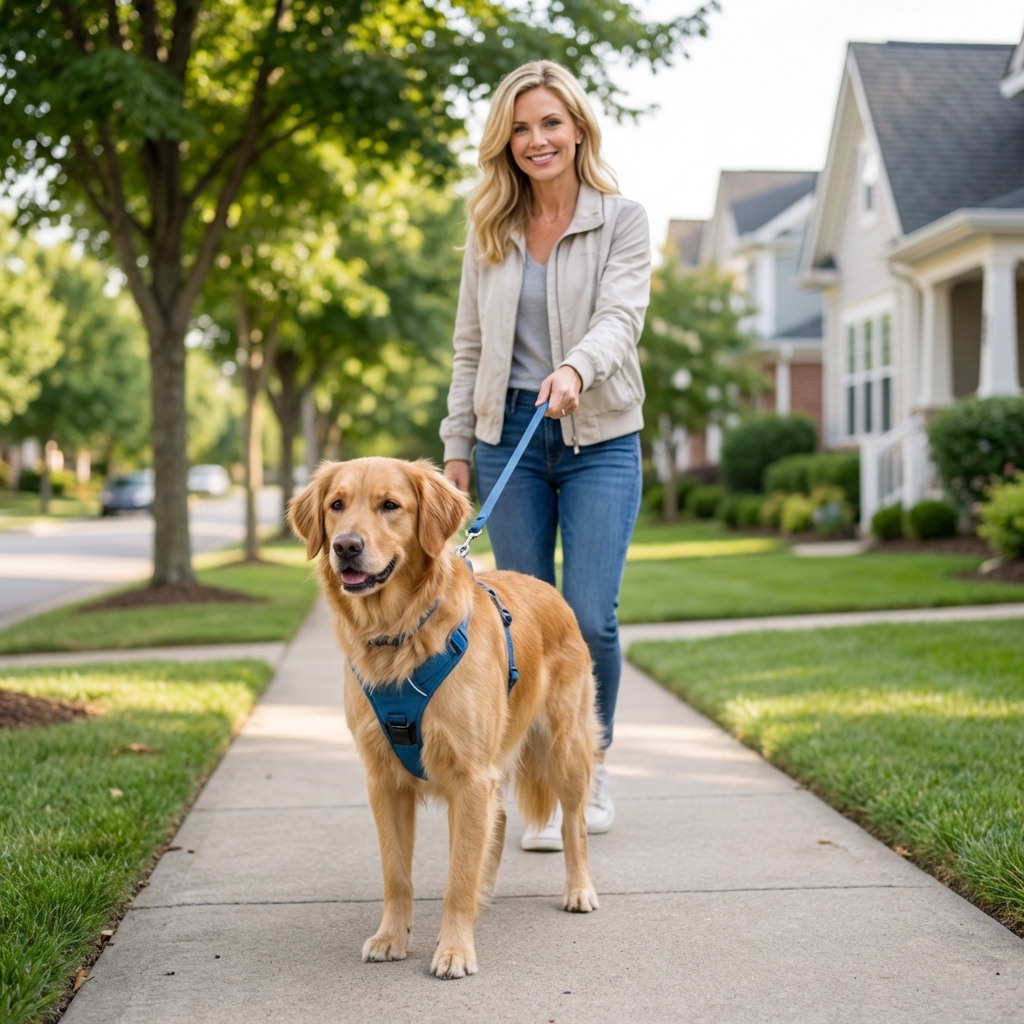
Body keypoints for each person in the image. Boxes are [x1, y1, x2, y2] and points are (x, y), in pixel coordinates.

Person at [440, 60, 650, 851]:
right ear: (507, 141)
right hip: (509, 443)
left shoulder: (621, 220)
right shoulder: (489, 228)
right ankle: (538, 780)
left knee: (589, 619)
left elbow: (622, 315)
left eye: (551, 124)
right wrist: (458, 446)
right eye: (521, 128)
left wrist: (576, 369)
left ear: (578, 129)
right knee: (521, 623)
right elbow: (469, 347)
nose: (537, 140)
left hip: (598, 435)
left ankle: (587, 767)